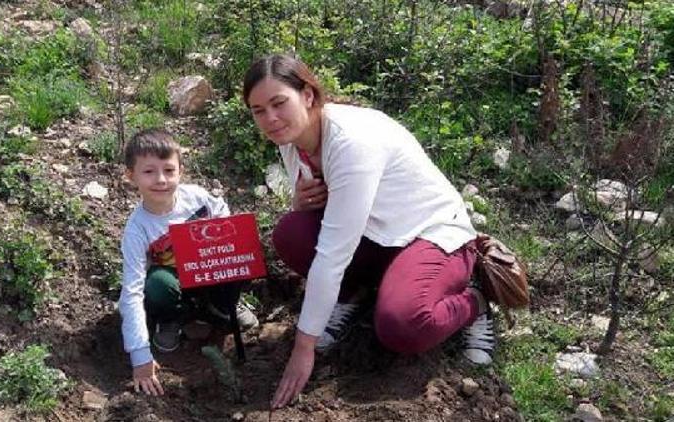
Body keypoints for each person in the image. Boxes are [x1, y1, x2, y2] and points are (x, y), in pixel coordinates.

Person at [242, 54, 495, 409]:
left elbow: (331, 255)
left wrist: (304, 347)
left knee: (403, 327)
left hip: (430, 234)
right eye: (258, 110)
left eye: (278, 103)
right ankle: (355, 292)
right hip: (378, 234)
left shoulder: (351, 143)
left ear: (309, 96)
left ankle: (476, 299)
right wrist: (300, 204)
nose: (270, 118)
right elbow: (333, 220)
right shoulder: (292, 139)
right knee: (291, 233)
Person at [118, 129, 259, 396]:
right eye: (149, 172)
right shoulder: (137, 230)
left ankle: (221, 306)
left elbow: (223, 216)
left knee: (240, 251)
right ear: (131, 175)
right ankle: (172, 319)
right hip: (173, 282)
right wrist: (139, 355)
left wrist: (218, 237)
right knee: (158, 286)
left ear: (180, 171)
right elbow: (132, 292)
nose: (161, 180)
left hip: (206, 272)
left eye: (169, 171)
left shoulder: (196, 197)